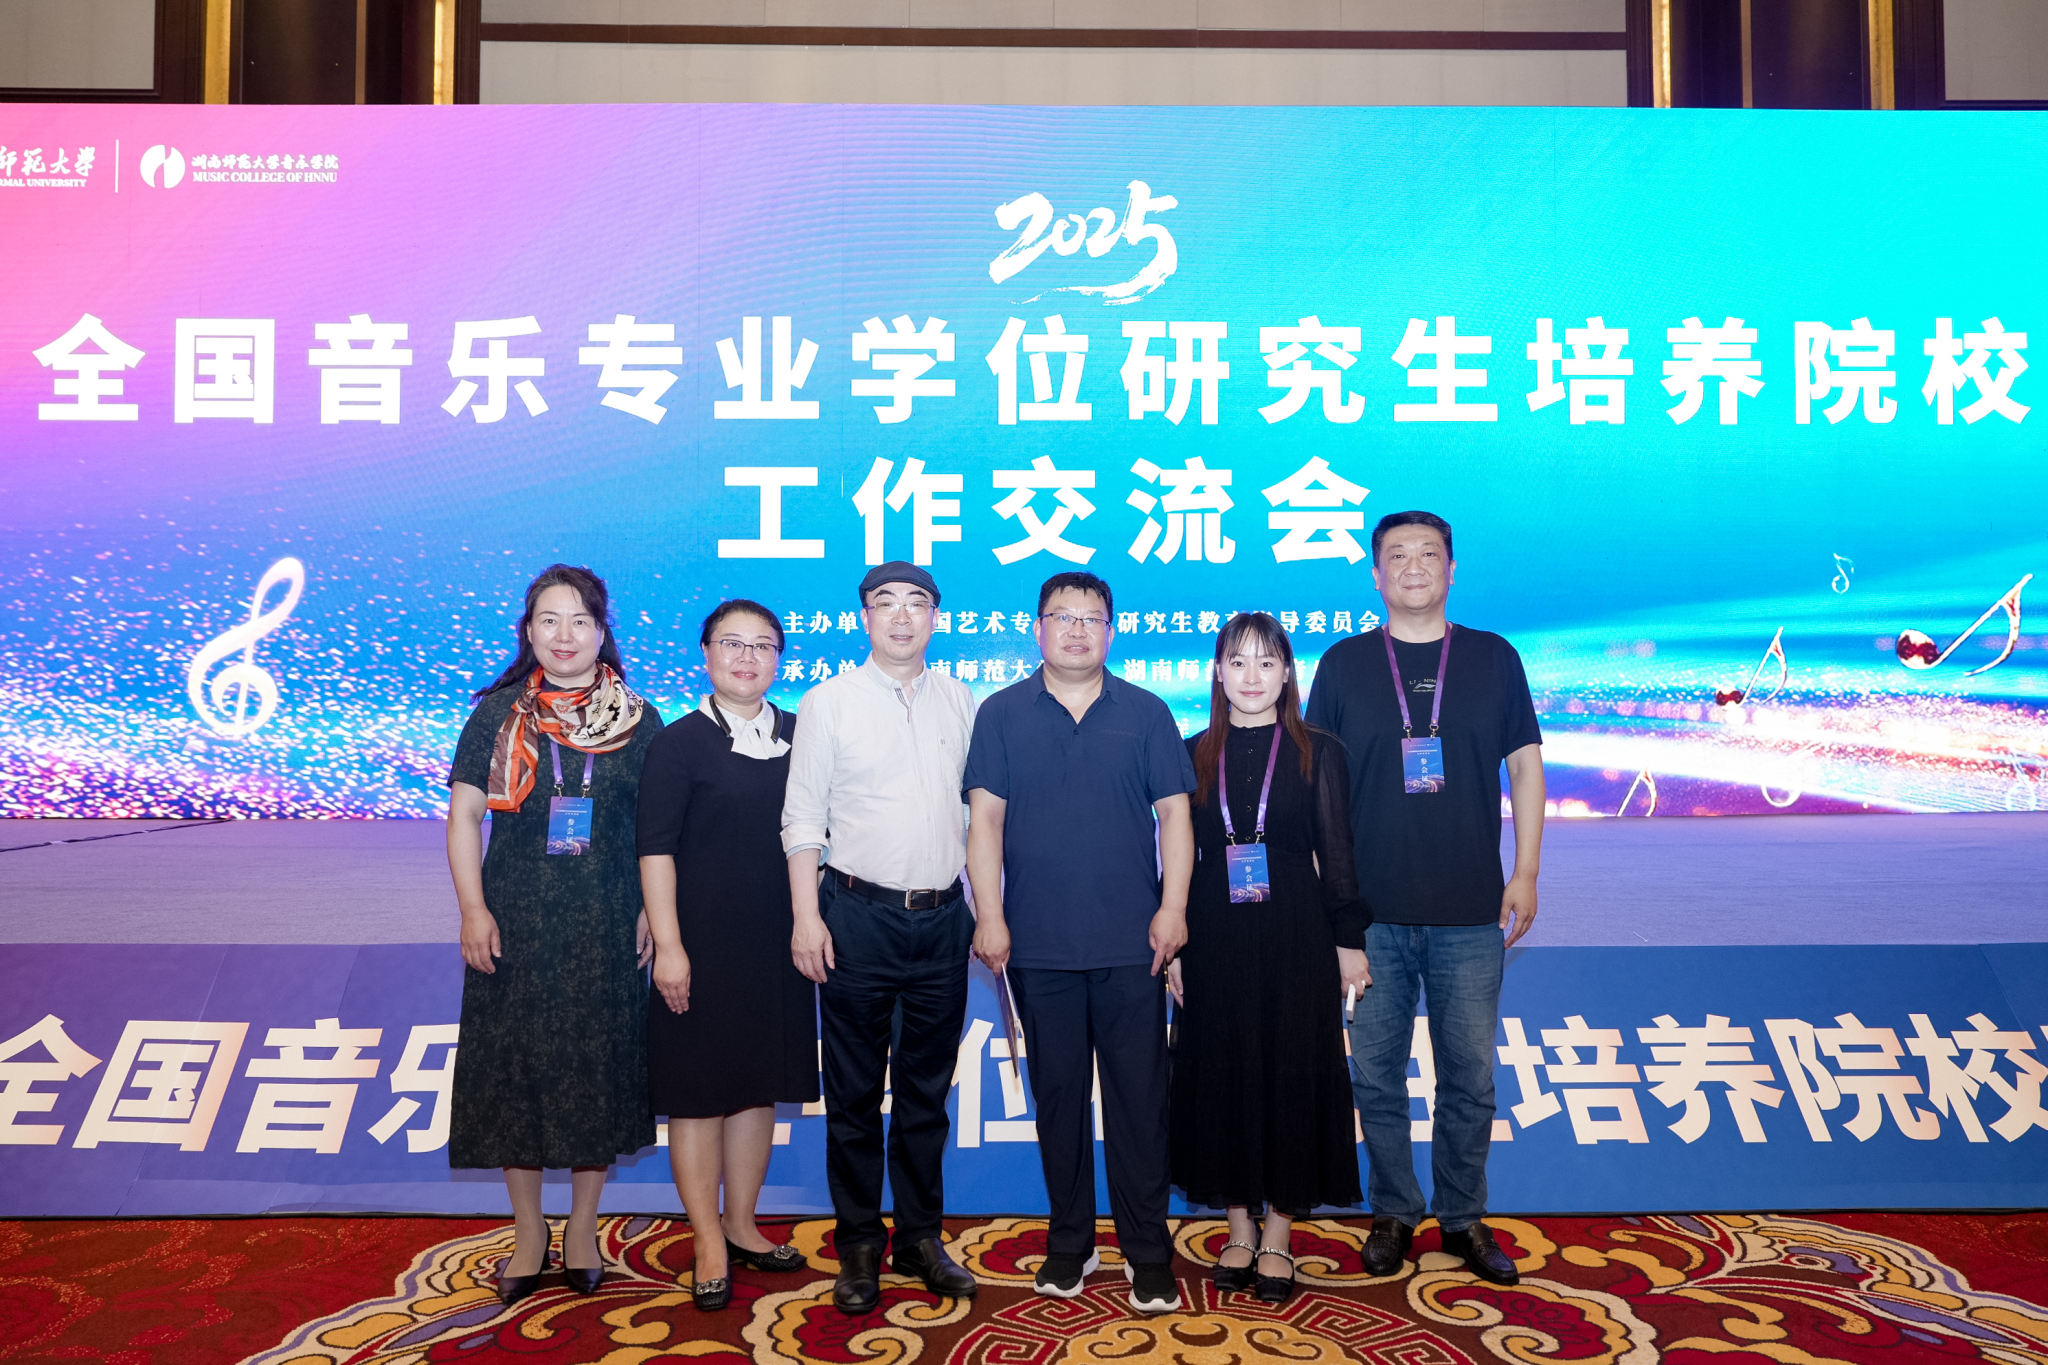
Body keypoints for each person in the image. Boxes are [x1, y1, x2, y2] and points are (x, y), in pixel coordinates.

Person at [1305, 511, 1544, 1287]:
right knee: (1376, 1075)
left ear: (1451, 569)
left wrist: (1526, 870)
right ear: (1376, 574)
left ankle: (1464, 1217)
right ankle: (1394, 1212)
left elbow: (1526, 766)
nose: (1413, 566)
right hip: (1369, 916)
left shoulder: (1493, 657)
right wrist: (1329, 902)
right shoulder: (1342, 665)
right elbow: (1316, 788)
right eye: (1397, 555)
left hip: (1470, 909)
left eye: (1429, 553)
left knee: (1469, 1077)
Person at [963, 570, 1197, 1316]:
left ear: (1111, 631)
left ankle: (1147, 1250)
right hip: (1037, 944)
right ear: (1038, 629)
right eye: (1062, 617)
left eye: (1091, 618)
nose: (1076, 630)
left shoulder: (1146, 711)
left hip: (1135, 944)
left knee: (1139, 1104)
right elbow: (984, 822)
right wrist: (989, 914)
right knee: (1059, 1101)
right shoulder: (1002, 713)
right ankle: (1070, 1241)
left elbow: (1177, 817)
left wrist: (1174, 908)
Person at [446, 564, 661, 1306]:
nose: (564, 635)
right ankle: (529, 1228)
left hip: (607, 917)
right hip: (517, 920)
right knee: (517, 1071)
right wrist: (473, 909)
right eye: (548, 619)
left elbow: (656, 830)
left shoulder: (639, 720)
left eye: (579, 620)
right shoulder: (498, 715)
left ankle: (583, 1227)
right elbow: (464, 816)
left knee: (594, 1068)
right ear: (528, 631)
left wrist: (652, 908)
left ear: (602, 631)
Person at [781, 562, 982, 1314]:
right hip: (855, 917)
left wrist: (986, 908)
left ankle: (921, 1237)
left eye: (916, 603)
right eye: (885, 603)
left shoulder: (961, 699)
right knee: (856, 1094)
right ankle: (859, 1243)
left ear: (935, 617)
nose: (901, 616)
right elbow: (802, 817)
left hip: (942, 920)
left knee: (927, 1094)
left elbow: (979, 817)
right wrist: (807, 916)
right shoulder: (828, 702)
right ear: (864, 617)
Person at [1168, 612, 1371, 1305]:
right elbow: (1177, 855)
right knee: (1221, 1071)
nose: (1251, 676)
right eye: (1237, 661)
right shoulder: (1192, 753)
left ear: (1287, 672)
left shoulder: (1320, 751)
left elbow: (1337, 854)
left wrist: (1348, 943)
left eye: (1265, 661)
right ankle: (1237, 1227)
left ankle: (1279, 1232)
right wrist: (1173, 942)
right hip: (1212, 933)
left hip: (1296, 935)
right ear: (1217, 673)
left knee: (1290, 1071)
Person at [637, 600, 820, 1313]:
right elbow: (656, 850)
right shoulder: (678, 743)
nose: (747, 657)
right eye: (732, 643)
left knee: (755, 1087)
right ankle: (708, 1240)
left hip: (778, 940)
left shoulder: (802, 735)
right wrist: (670, 945)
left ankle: (742, 1224)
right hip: (701, 944)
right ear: (706, 653)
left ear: (779, 659)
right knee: (697, 1094)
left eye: (763, 645)